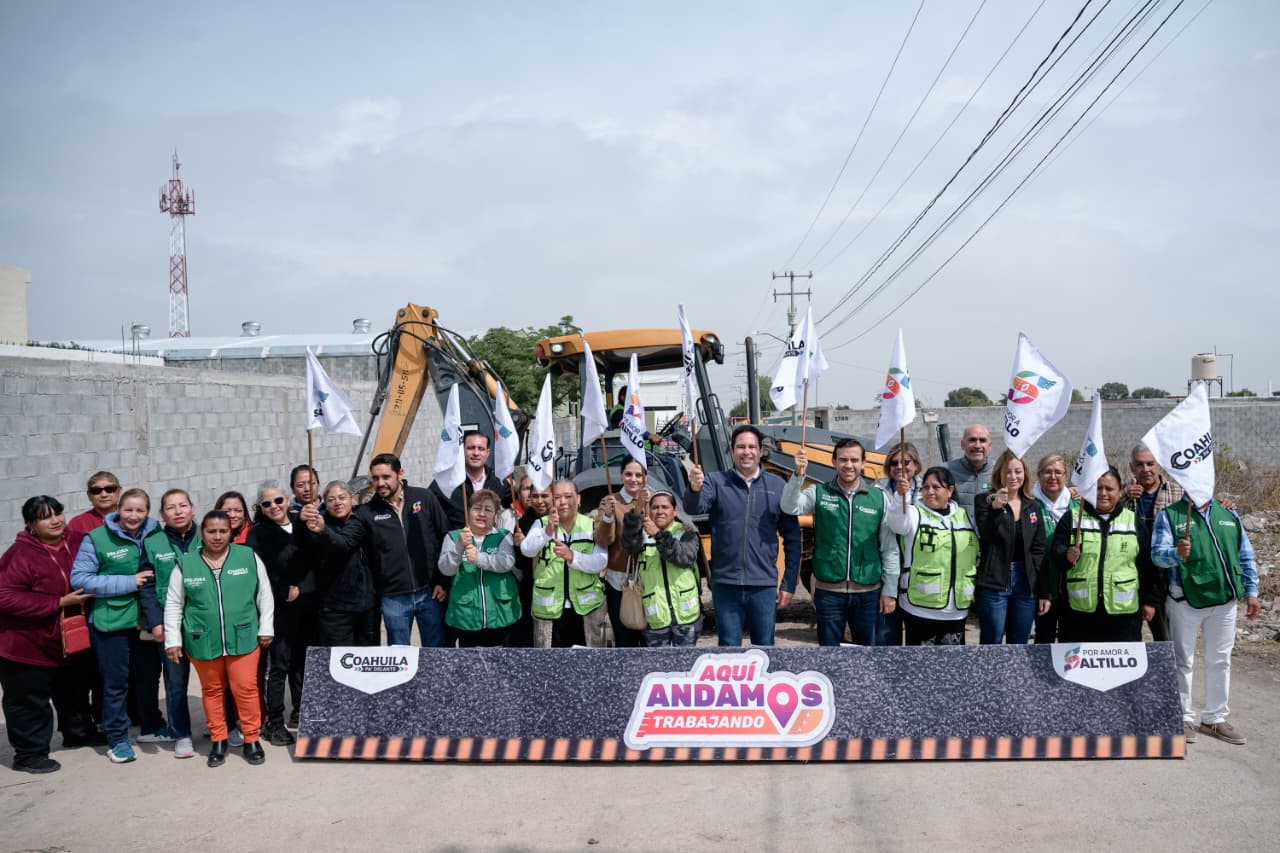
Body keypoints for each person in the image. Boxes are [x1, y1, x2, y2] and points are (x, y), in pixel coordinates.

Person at [305, 453, 451, 648]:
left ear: (400, 473)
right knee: (399, 658)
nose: (380, 483)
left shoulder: (424, 497)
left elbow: (445, 537)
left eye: (386, 477)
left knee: (436, 654)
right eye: (375, 478)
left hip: (430, 593)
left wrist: (443, 582)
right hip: (393, 598)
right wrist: (323, 530)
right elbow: (344, 542)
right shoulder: (365, 512)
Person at [164, 510, 274, 767]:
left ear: (231, 532)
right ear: (202, 533)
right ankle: (219, 739)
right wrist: (173, 640)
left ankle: (251, 738)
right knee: (212, 691)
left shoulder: (247, 556)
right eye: (211, 531)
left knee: (245, 689)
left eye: (223, 531)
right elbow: (174, 603)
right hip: (203, 640)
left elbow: (265, 594)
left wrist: (266, 627)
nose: (217, 536)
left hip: (244, 637)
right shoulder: (186, 563)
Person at [1152, 493, 1261, 745]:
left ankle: (1215, 718)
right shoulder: (1169, 515)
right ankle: (1182, 717)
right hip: (1184, 600)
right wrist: (1175, 553)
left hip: (1225, 600)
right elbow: (1157, 555)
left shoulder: (1228, 513)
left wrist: (1252, 591)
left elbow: (1245, 554)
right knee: (1182, 660)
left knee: (1220, 660)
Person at [0, 496, 98, 773]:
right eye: (45, 517)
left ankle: (78, 733)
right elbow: (4, 596)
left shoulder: (78, 541)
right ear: (31, 525)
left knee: (74, 690)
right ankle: (29, 755)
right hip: (26, 643)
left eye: (58, 513)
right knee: (29, 701)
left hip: (69, 638)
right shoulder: (19, 555)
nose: (55, 521)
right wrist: (57, 602)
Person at [685, 425, 800, 647]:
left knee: (764, 649)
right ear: (731, 450)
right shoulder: (715, 482)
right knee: (728, 649)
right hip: (726, 584)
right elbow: (694, 507)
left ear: (760, 451)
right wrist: (694, 489)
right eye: (740, 447)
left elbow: (793, 539)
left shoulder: (778, 486)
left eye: (751, 447)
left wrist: (789, 583)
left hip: (763, 585)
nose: (746, 452)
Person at [70, 488, 162, 764]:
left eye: (140, 510)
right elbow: (80, 579)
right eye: (128, 510)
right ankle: (118, 739)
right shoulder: (96, 538)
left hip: (146, 621)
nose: (133, 516)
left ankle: (151, 726)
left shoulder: (155, 534)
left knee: (148, 678)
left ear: (148, 512)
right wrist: (129, 582)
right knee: (115, 684)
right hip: (110, 622)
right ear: (118, 510)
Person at [782, 439, 899, 647]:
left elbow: (889, 549)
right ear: (833, 462)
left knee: (866, 654)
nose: (848, 465)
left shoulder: (879, 498)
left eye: (854, 460)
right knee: (830, 655)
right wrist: (798, 475)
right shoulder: (819, 492)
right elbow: (789, 506)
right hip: (829, 593)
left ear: (863, 463)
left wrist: (889, 590)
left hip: (867, 593)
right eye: (843, 460)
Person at [1051, 467, 1156, 643]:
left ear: (1120, 491)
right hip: (1078, 615)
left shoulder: (1133, 521)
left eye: (1109, 489)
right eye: (1098, 488)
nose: (1103, 494)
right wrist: (1066, 556)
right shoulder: (1073, 518)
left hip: (1124, 616)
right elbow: (1056, 554)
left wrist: (1150, 601)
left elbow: (1147, 565)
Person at [246, 481, 312, 746]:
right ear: (260, 508)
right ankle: (274, 721)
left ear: (287, 500)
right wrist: (282, 590)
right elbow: (257, 571)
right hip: (279, 608)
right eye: (266, 503)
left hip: (306, 605)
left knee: (301, 663)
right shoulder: (258, 534)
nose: (273, 506)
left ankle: (300, 711)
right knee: (279, 666)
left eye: (278, 500)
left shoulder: (300, 522)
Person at [885, 468, 979, 645]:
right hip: (919, 608)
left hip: (956, 611)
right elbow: (896, 522)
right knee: (920, 661)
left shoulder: (966, 517)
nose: (930, 492)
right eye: (926, 487)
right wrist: (901, 497)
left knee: (953, 661)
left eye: (936, 487)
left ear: (950, 491)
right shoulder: (914, 514)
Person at [141, 489, 201, 759]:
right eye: (170, 507)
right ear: (162, 514)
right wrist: (155, 622)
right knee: (175, 682)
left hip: (204, 621)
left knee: (216, 680)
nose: (178, 511)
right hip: (170, 623)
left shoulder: (207, 535)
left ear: (192, 508)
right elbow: (147, 586)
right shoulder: (153, 543)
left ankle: (224, 727)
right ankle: (182, 734)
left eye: (183, 505)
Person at [519, 480, 609, 648]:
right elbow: (527, 549)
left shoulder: (591, 525)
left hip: (586, 610)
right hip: (550, 612)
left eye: (568, 496)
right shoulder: (542, 523)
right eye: (558, 497)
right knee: (551, 662)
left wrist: (572, 557)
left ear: (578, 499)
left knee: (587, 661)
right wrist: (547, 531)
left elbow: (600, 561)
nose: (563, 502)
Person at [973, 450, 1049, 645]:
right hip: (995, 582)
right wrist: (996, 509)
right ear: (999, 473)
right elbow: (986, 536)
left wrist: (1043, 592)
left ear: (1025, 474)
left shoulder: (1033, 506)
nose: (1013, 477)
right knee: (992, 642)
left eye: (1018, 471)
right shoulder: (984, 501)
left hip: (1025, 583)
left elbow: (1039, 551)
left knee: (1019, 643)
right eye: (1008, 471)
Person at [619, 490, 703, 647]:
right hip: (655, 617)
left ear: (674, 511)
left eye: (665, 507)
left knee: (686, 661)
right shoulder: (642, 535)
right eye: (655, 507)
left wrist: (658, 535)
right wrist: (637, 511)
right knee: (658, 663)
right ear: (649, 510)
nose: (660, 511)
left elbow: (685, 557)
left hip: (686, 616)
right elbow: (628, 544)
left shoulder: (686, 532)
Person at [438, 489, 519, 647]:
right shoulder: (453, 536)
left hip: (501, 613)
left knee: (501, 659)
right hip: (467, 616)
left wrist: (479, 558)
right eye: (476, 508)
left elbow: (506, 563)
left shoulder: (503, 535)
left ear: (495, 516)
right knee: (471, 660)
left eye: (488, 509)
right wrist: (459, 546)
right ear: (468, 512)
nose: (482, 514)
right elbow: (446, 569)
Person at [1126, 445, 1184, 643]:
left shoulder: (1178, 492)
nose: (1146, 469)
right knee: (1129, 636)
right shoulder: (1121, 493)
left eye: (1150, 464)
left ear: (1159, 465)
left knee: (1167, 636)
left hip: (1168, 575)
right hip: (1131, 573)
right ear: (1132, 467)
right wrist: (1125, 496)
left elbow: (1203, 508)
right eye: (1139, 464)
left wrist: (1225, 505)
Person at [312, 482, 379, 647]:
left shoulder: (362, 519)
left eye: (342, 497)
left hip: (367, 606)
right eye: (331, 500)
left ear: (352, 499)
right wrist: (321, 530)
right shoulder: (318, 525)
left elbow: (346, 543)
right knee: (338, 657)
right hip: (334, 609)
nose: (337, 503)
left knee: (367, 657)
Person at [594, 458, 650, 648]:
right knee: (625, 640)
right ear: (621, 475)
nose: (633, 479)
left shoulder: (653, 500)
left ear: (646, 477)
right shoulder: (610, 502)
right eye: (628, 474)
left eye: (638, 475)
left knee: (651, 641)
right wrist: (608, 517)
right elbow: (603, 540)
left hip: (649, 580)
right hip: (619, 582)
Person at [875, 441, 924, 647]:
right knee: (886, 636)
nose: (899, 467)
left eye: (906, 462)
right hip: (888, 568)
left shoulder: (928, 489)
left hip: (918, 570)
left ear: (916, 465)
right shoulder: (877, 490)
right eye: (894, 463)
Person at [1031, 453, 1074, 644]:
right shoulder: (1029, 504)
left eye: (1058, 472)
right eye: (1047, 472)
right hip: (1042, 586)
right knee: (1044, 639)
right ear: (1039, 475)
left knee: (1070, 641)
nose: (1053, 477)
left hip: (1072, 587)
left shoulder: (1078, 505)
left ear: (1066, 475)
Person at [430, 430, 509, 530]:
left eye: (481, 449)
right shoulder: (444, 483)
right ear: (462, 451)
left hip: (489, 539)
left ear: (487, 453)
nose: (476, 453)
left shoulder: (499, 482)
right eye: (471, 448)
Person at [508, 481, 551, 648]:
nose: (540, 501)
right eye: (535, 496)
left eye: (544, 496)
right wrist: (520, 547)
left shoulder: (563, 518)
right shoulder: (523, 523)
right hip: (531, 589)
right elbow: (519, 564)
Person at [946, 424, 995, 516]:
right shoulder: (946, 471)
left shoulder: (999, 471)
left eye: (982, 440)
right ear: (962, 444)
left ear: (990, 445)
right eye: (972, 440)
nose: (977, 445)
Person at [66, 471, 121, 540]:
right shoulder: (77, 523)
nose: (104, 495)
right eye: (96, 490)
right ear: (89, 495)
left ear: (119, 491)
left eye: (110, 489)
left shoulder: (130, 516)